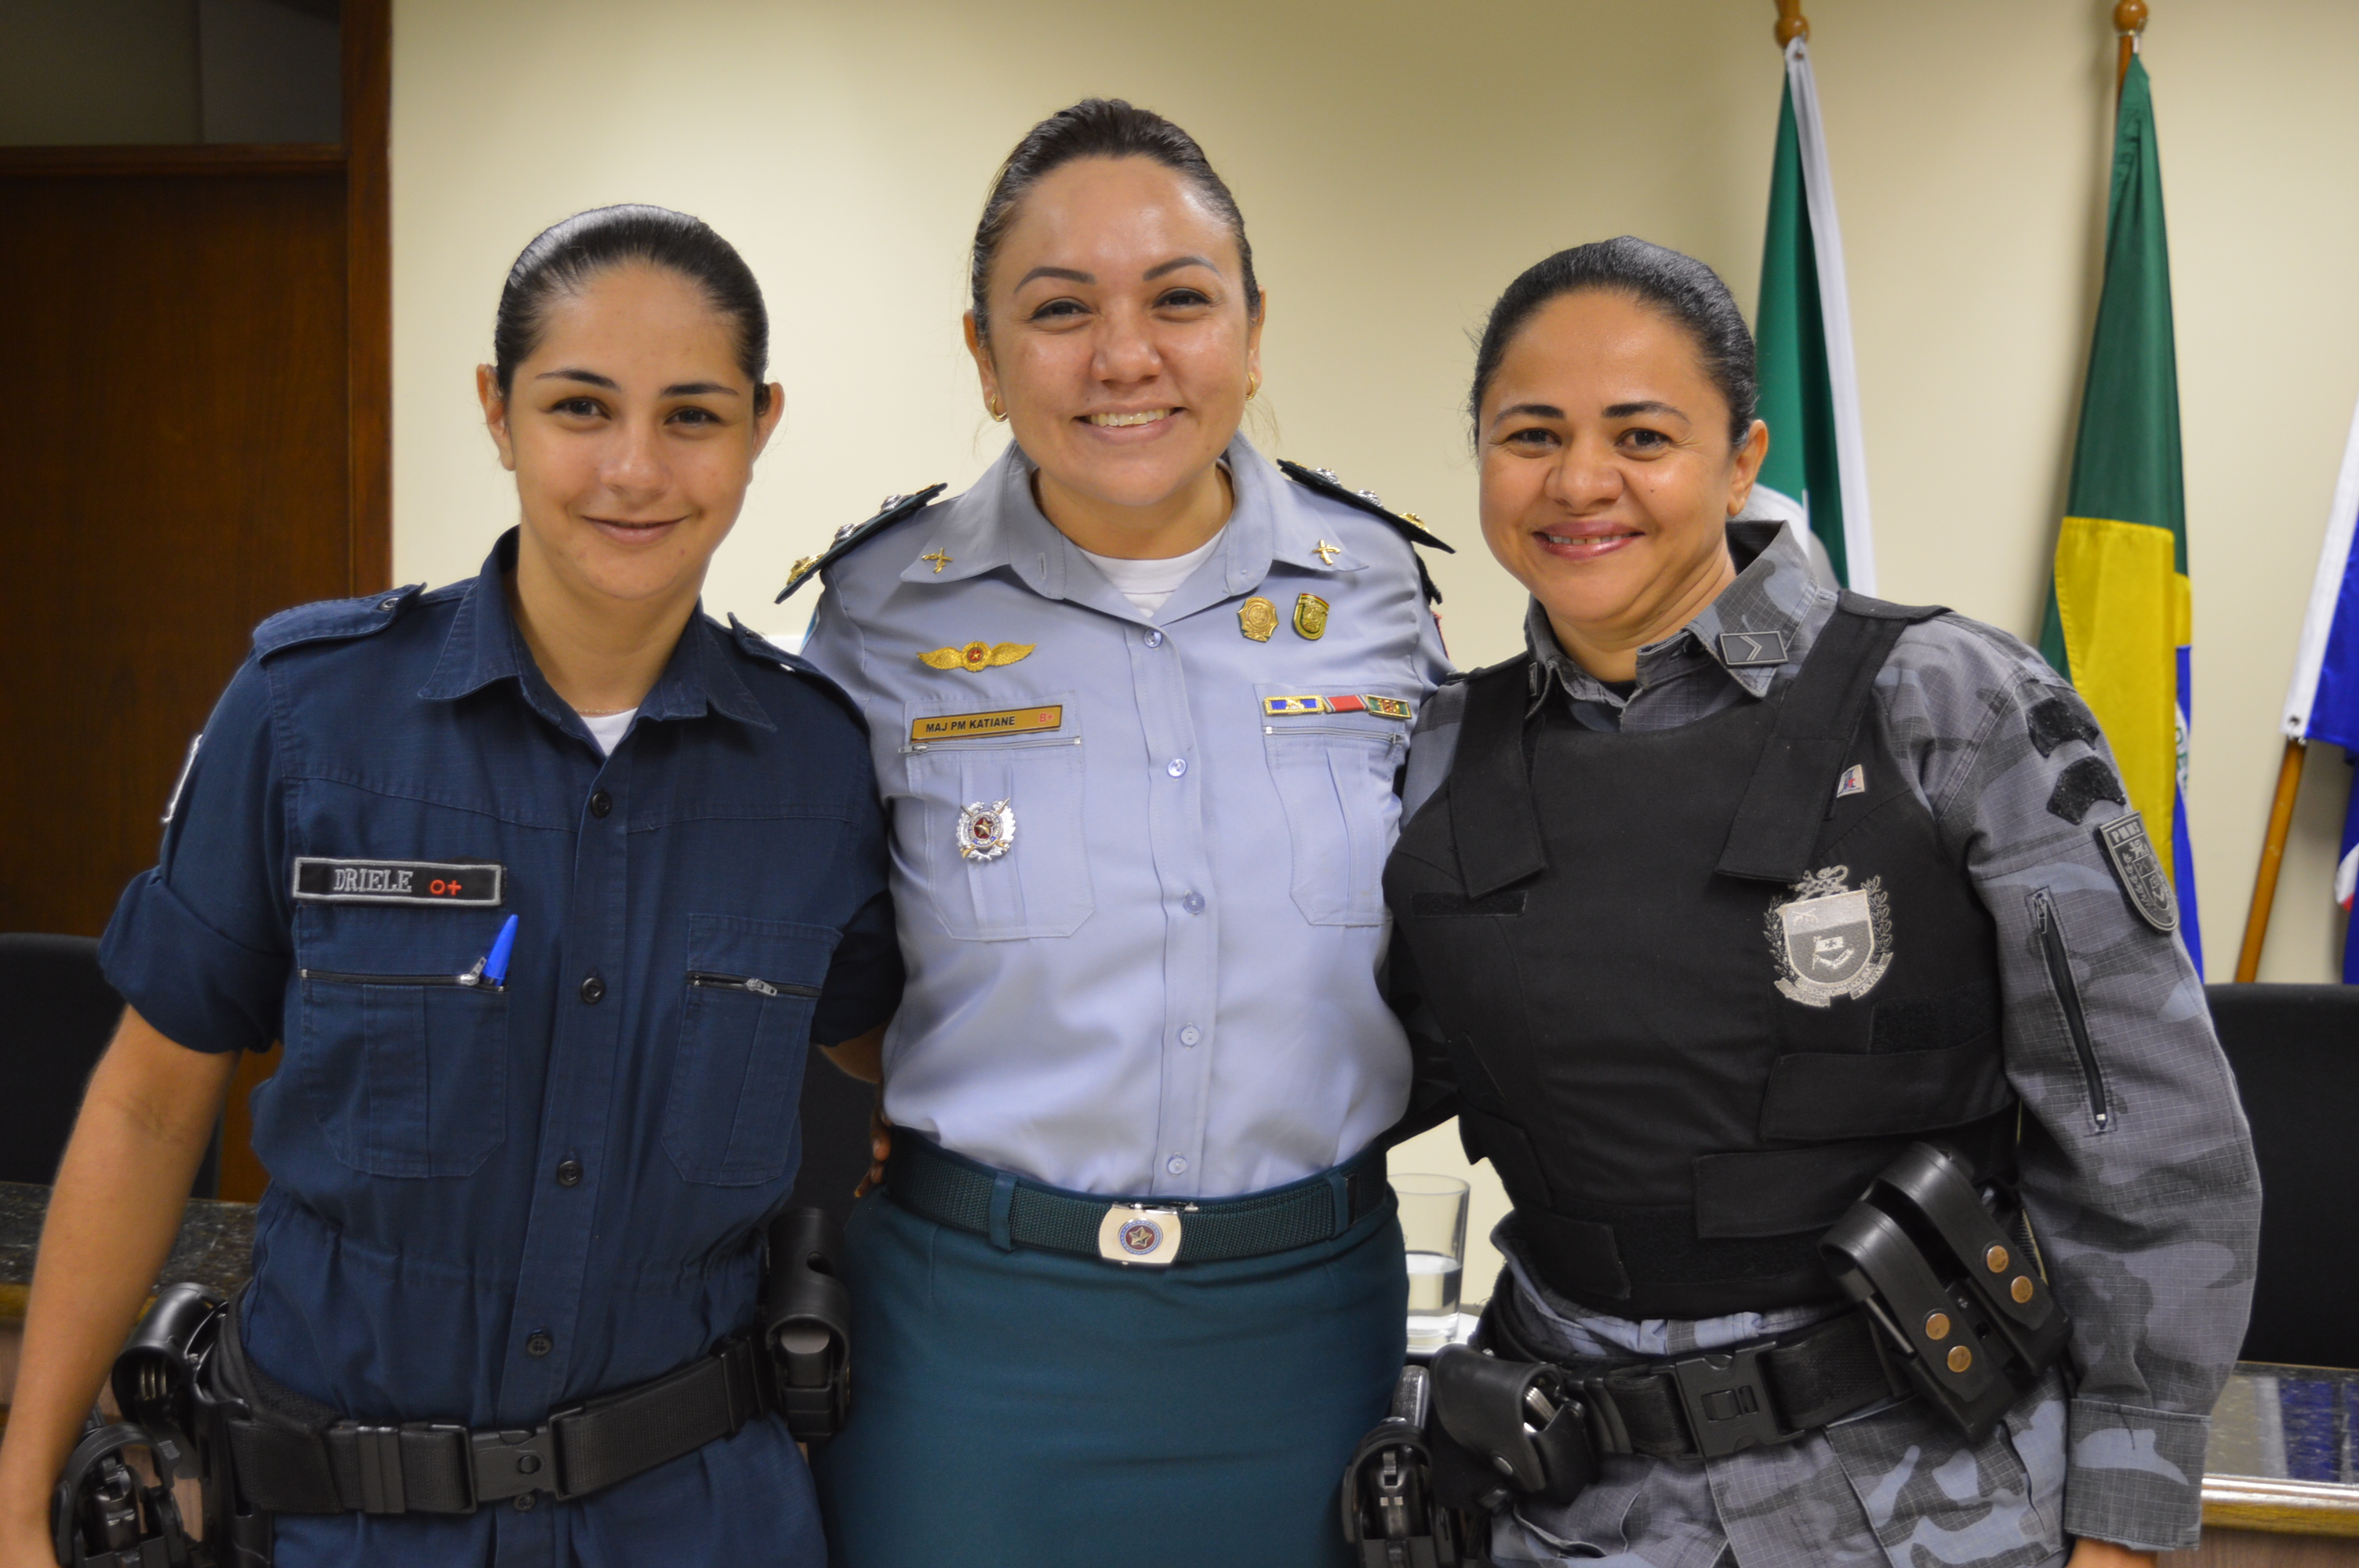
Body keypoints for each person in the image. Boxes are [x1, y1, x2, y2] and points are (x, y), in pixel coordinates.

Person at [0, 205, 900, 1568]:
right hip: (342, 1519)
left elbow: (901, 1047)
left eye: (694, 416)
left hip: (695, 1516)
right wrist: (21, 1499)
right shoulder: (309, 714)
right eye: (581, 406)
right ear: (497, 410)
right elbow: (144, 1107)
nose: (636, 467)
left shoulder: (821, 762)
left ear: (760, 426)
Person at [1384, 238, 2260, 1568]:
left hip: (1924, 1505)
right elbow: (1363, 1070)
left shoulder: (1947, 704)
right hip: (1571, 1514)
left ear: (1742, 458)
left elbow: (2141, 1123)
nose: (1579, 482)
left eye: (1642, 435)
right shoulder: (1442, 754)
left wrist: (2128, 1522)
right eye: (1531, 434)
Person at [786, 100, 1452, 1567]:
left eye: (1180, 300)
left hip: (1303, 1327)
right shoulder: (884, 608)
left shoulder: (1375, 591)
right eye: (1060, 310)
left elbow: (1443, 933)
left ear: (1254, 332)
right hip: (971, 1340)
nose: (1125, 356)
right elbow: (836, 964)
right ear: (983, 355)